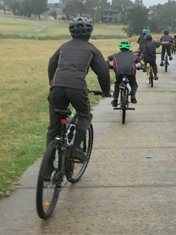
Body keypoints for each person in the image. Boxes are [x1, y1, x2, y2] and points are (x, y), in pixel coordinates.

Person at [47, 17, 110, 161]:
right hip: (76, 87)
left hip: (57, 87)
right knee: (84, 116)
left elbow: (52, 65)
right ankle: (74, 149)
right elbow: (103, 73)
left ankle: (48, 168)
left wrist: (52, 84)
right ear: (89, 33)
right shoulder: (92, 49)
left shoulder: (63, 47)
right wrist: (106, 92)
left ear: (71, 33)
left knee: (54, 127)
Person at [106, 40, 141, 107]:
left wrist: (109, 66)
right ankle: (133, 96)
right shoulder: (133, 56)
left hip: (119, 72)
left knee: (117, 84)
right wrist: (141, 67)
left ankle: (115, 100)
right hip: (131, 72)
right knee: (134, 84)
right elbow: (142, 62)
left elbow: (106, 60)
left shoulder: (115, 55)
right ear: (129, 47)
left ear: (120, 47)